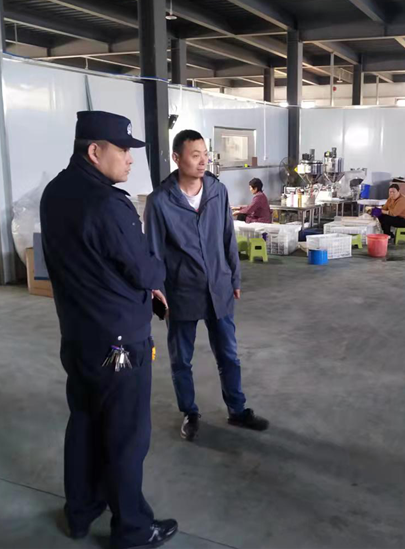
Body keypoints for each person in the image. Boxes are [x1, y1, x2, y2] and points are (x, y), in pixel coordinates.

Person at [40, 111, 178, 549]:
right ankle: (133, 530)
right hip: (120, 342)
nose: (130, 159)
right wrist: (157, 274)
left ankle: (80, 512)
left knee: (84, 422)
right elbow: (143, 269)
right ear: (95, 151)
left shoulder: (55, 192)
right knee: (126, 437)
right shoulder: (109, 204)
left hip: (79, 335)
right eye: (123, 150)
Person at [145, 129, 269, 442]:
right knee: (181, 359)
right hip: (181, 291)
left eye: (205, 154)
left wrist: (234, 277)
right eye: (195, 155)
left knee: (228, 354)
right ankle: (190, 412)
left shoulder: (217, 191)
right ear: (177, 158)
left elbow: (228, 237)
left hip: (218, 286)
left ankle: (237, 410)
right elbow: (154, 251)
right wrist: (157, 295)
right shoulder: (160, 201)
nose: (203, 161)